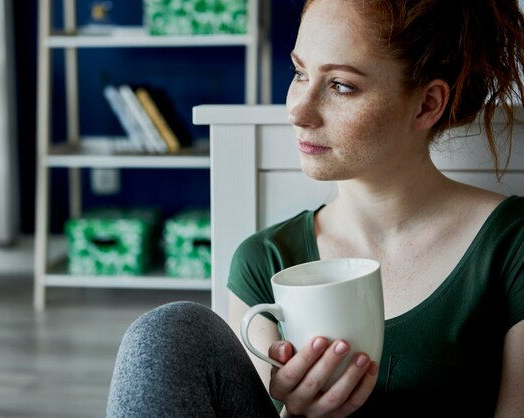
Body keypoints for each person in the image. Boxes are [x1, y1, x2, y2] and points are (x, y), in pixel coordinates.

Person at [106, 0, 524, 416]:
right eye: (299, 73)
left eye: (341, 85)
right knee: (165, 332)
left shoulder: (511, 246)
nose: (297, 111)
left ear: (427, 104)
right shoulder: (264, 260)